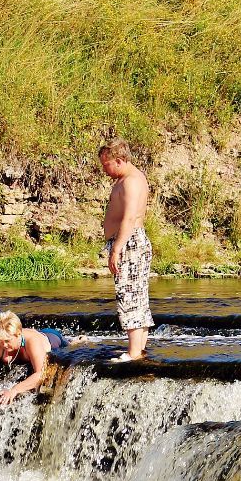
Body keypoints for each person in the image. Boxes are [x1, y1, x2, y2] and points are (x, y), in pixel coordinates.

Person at [99, 138, 152, 361]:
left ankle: (133, 352)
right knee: (136, 295)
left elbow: (129, 218)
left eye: (106, 164)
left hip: (130, 243)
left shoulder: (131, 181)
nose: (104, 169)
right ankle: (137, 350)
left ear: (119, 160)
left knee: (130, 295)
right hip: (129, 242)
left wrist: (116, 249)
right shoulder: (128, 179)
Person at [0, 311, 67, 405]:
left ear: (18, 334)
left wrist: (15, 390)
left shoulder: (32, 342)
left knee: (70, 344)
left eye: (8, 341)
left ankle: (76, 339)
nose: (4, 345)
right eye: (0, 340)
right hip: (33, 336)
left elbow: (41, 374)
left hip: (52, 338)